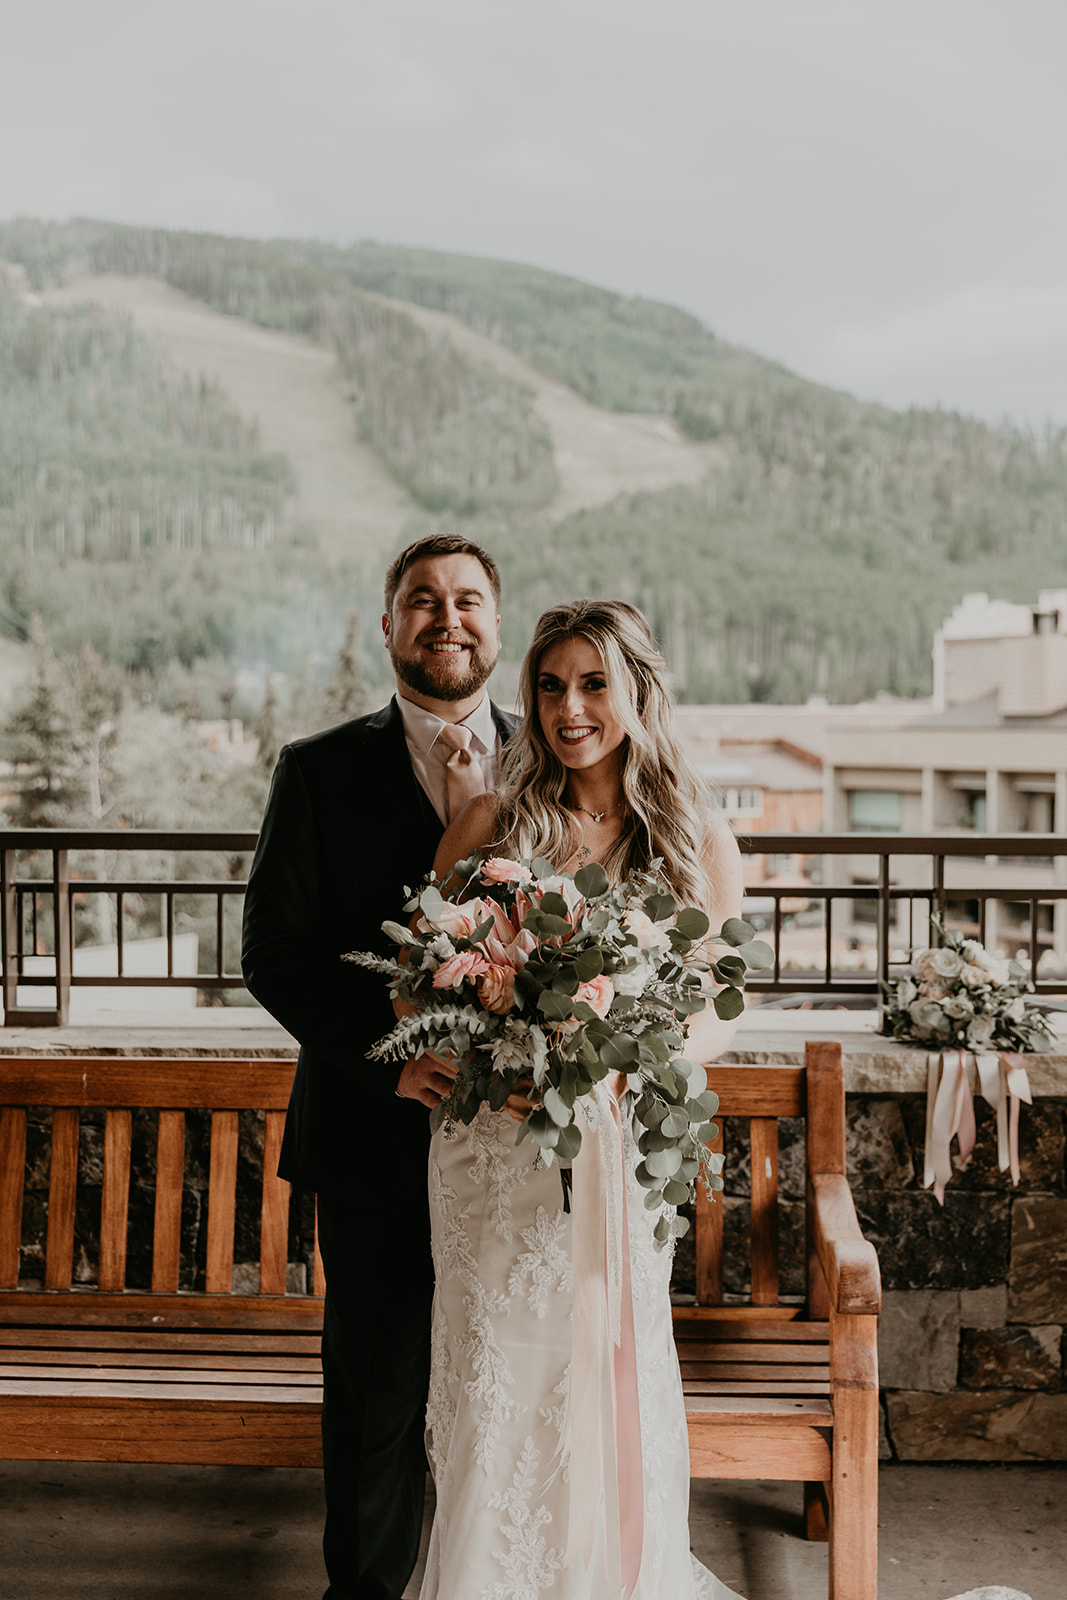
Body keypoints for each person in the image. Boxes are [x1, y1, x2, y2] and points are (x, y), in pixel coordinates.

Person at [414, 598, 747, 1600]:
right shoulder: (489, 822)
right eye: (550, 685)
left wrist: (625, 1063)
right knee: (498, 1384)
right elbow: (426, 976)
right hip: (492, 1155)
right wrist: (494, 1050)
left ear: (635, 690)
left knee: (601, 1371)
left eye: (592, 683)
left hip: (615, 1144)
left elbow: (720, 998)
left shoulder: (690, 837)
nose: (568, 707)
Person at [241, 533, 519, 1600]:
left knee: (503, 1381)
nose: (446, 619)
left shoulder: (550, 758)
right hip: (370, 1137)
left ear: (496, 622)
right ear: (388, 624)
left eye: (467, 601)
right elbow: (272, 953)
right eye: (421, 601)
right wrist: (384, 1058)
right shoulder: (315, 770)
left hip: (516, 1143)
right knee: (376, 1396)